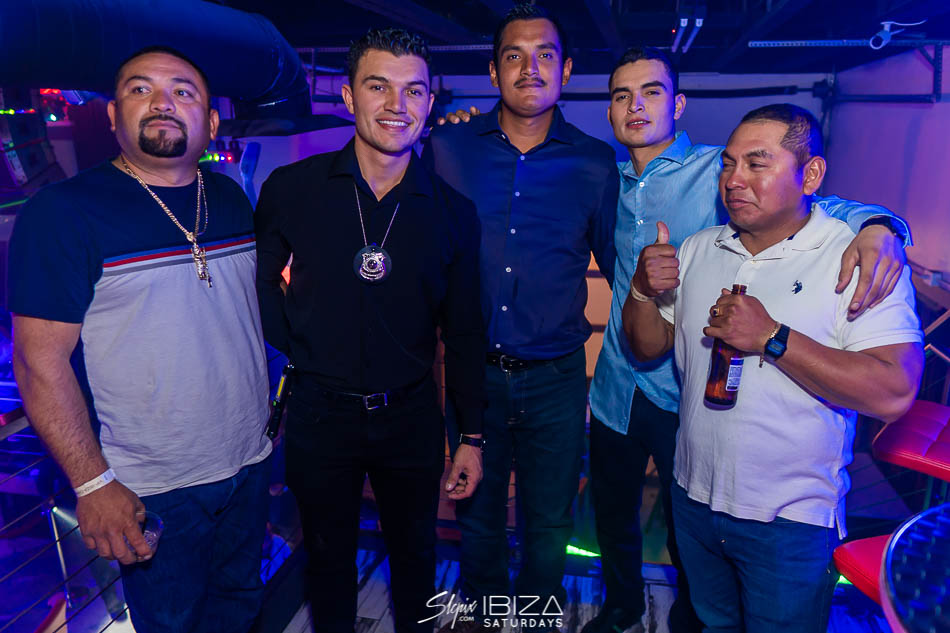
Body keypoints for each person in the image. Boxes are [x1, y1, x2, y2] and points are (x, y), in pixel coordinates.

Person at [583, 48, 912, 633]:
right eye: (621, 95)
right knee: (620, 521)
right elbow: (649, 334)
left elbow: (817, 202)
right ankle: (623, 606)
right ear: (608, 111)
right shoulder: (610, 182)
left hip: (772, 500)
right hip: (630, 403)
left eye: (652, 91)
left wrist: (883, 226)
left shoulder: (721, 172)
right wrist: (640, 288)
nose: (736, 179)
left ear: (677, 104)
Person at [9, 46, 273, 632]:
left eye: (183, 91)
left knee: (238, 610)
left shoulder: (229, 197)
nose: (162, 103)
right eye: (139, 88)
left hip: (248, 465)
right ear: (112, 115)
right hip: (152, 487)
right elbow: (37, 360)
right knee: (173, 623)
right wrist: (93, 483)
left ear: (211, 120)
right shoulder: (64, 212)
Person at [254, 28, 485, 633]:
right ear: (349, 95)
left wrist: (472, 437)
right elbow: (259, 286)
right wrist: (300, 346)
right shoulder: (292, 189)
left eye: (413, 90)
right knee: (326, 560)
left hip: (410, 417)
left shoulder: (454, 213)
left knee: (416, 559)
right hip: (319, 416)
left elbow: (465, 333)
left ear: (429, 100)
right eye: (378, 86)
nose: (396, 105)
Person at [423, 5, 619, 629]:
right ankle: (485, 614)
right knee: (476, 511)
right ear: (492, 71)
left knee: (550, 520)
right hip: (471, 374)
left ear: (567, 69)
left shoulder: (595, 163)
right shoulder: (448, 148)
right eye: (514, 55)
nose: (530, 68)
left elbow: (620, 266)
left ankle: (533, 617)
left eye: (545, 55)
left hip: (556, 376)